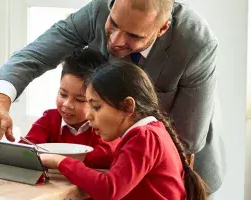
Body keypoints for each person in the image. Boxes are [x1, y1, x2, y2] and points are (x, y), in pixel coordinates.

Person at [0, 0, 225, 196]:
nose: (115, 42)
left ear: (162, 28)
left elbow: (187, 140)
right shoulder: (97, 10)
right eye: (113, 24)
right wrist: (0, 101)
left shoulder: (196, 42)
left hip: (184, 173)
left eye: (134, 36)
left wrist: (66, 162)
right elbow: (35, 55)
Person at [40, 60, 207, 200]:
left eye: (96, 107)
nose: (88, 115)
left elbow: (109, 189)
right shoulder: (150, 131)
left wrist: (59, 161)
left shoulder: (144, 136)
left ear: (128, 107)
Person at [19, 47, 119, 169]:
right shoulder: (49, 119)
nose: (67, 104)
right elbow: (24, 150)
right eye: (63, 94)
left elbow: (106, 156)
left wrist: (58, 160)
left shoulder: (103, 124)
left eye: (79, 100)